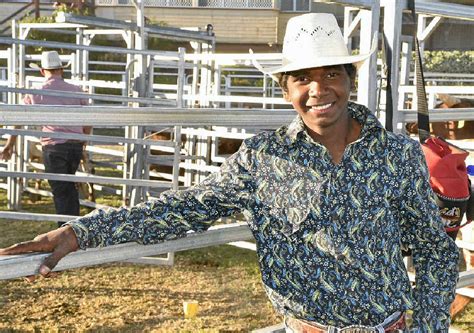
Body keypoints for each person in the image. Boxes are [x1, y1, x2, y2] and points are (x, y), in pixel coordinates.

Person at [0, 14, 459, 332]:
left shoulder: (397, 155)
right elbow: (186, 207)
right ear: (286, 90)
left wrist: (431, 325)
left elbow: (435, 253)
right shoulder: (262, 159)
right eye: (303, 78)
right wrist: (78, 233)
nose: (319, 90)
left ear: (349, 81)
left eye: (331, 75)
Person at [0, 51, 91, 226]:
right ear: (61, 70)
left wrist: (9, 145)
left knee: (60, 189)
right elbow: (89, 120)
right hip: (75, 145)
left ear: (43, 71)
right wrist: (83, 140)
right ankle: (74, 228)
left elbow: (19, 118)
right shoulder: (76, 91)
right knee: (70, 186)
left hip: (54, 146)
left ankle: (65, 230)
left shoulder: (36, 93)